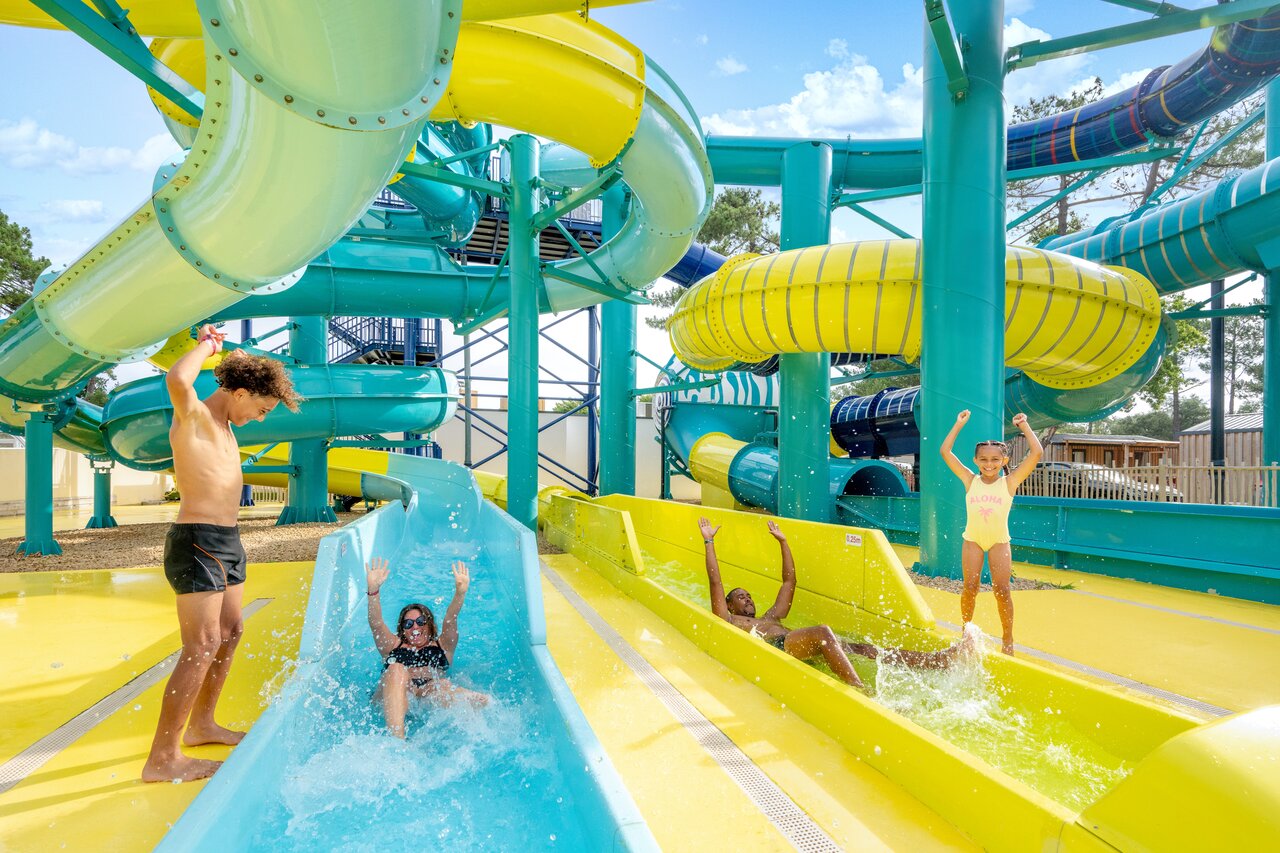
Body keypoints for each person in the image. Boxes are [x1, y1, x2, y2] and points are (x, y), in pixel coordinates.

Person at [142, 325, 302, 782]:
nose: (263, 418)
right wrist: (208, 347)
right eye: (262, 408)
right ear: (239, 392)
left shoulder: (228, 426)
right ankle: (162, 758)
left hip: (228, 541)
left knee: (231, 632)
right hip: (197, 540)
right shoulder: (193, 416)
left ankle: (202, 724)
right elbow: (177, 380)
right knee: (202, 645)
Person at [699, 518, 973, 690]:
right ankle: (860, 690)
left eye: (749, 595)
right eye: (741, 596)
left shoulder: (771, 617)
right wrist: (709, 541)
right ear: (730, 606)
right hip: (776, 648)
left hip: (797, 644)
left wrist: (783, 542)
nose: (748, 598)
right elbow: (716, 583)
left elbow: (788, 582)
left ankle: (937, 661)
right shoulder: (730, 620)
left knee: (862, 648)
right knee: (823, 632)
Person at [939, 409, 1043, 655]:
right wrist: (958, 424)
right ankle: (966, 634)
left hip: (999, 542)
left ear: (1004, 461)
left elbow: (1037, 452)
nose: (989, 464)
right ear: (975, 461)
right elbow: (945, 452)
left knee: (1002, 590)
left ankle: (1007, 639)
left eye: (995, 460)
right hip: (972, 540)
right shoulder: (969, 479)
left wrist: (1025, 426)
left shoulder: (1010, 481)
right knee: (970, 587)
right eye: (983, 460)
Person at [366, 556, 489, 737]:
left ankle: (479, 715)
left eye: (420, 621)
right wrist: (373, 590)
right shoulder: (393, 645)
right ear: (403, 630)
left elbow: (450, 619)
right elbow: (376, 624)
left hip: (426, 696)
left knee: (445, 686)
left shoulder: (443, 646)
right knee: (396, 669)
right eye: (408, 624)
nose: (415, 627)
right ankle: (398, 742)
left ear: (429, 624)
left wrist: (460, 593)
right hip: (393, 695)